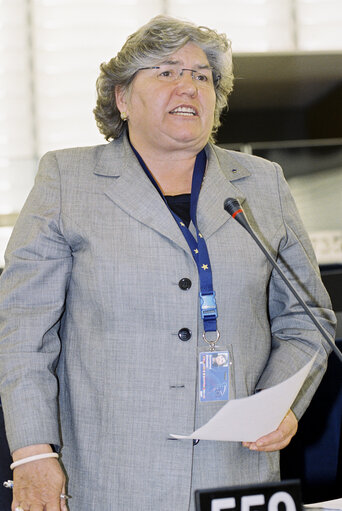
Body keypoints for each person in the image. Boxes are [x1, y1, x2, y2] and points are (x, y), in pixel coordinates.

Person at [0, 14, 336, 511]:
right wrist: (30, 453)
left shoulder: (263, 183)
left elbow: (309, 320)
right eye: (166, 71)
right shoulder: (68, 180)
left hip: (236, 471)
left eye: (202, 76)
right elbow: (23, 330)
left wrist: (282, 402)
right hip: (109, 475)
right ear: (121, 98)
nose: (189, 86)